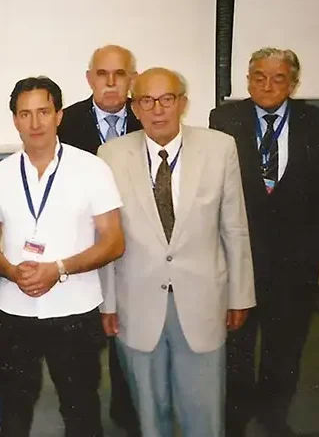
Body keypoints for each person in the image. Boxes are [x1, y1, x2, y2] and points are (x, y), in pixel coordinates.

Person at [97, 67, 255, 437]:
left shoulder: (220, 148)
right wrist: (108, 303)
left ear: (182, 102)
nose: (158, 110)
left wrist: (240, 296)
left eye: (167, 99)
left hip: (203, 299)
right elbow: (106, 235)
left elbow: (234, 227)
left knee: (204, 412)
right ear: (134, 108)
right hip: (136, 301)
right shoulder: (110, 154)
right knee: (151, 413)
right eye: (147, 101)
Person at [0, 76, 126, 437]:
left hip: (75, 310)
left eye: (43, 112)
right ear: (14, 119)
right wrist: (13, 272)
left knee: (82, 413)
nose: (35, 123)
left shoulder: (92, 168)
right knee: (13, 414)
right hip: (15, 312)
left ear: (59, 115)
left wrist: (57, 269)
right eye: (25, 114)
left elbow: (114, 242)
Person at [208, 48, 319, 436]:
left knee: (286, 347)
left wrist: (315, 246)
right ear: (248, 79)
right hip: (240, 261)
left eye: (278, 78)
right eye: (258, 77)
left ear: (293, 84)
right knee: (236, 348)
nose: (267, 85)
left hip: (294, 265)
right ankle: (235, 416)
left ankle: (273, 414)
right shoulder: (224, 119)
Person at [56, 44, 143, 435]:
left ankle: (129, 416)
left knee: (133, 343)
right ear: (89, 78)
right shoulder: (66, 123)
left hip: (138, 250)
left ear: (132, 79)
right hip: (84, 252)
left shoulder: (150, 116)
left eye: (120, 74)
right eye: (102, 74)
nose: (111, 82)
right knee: (85, 353)